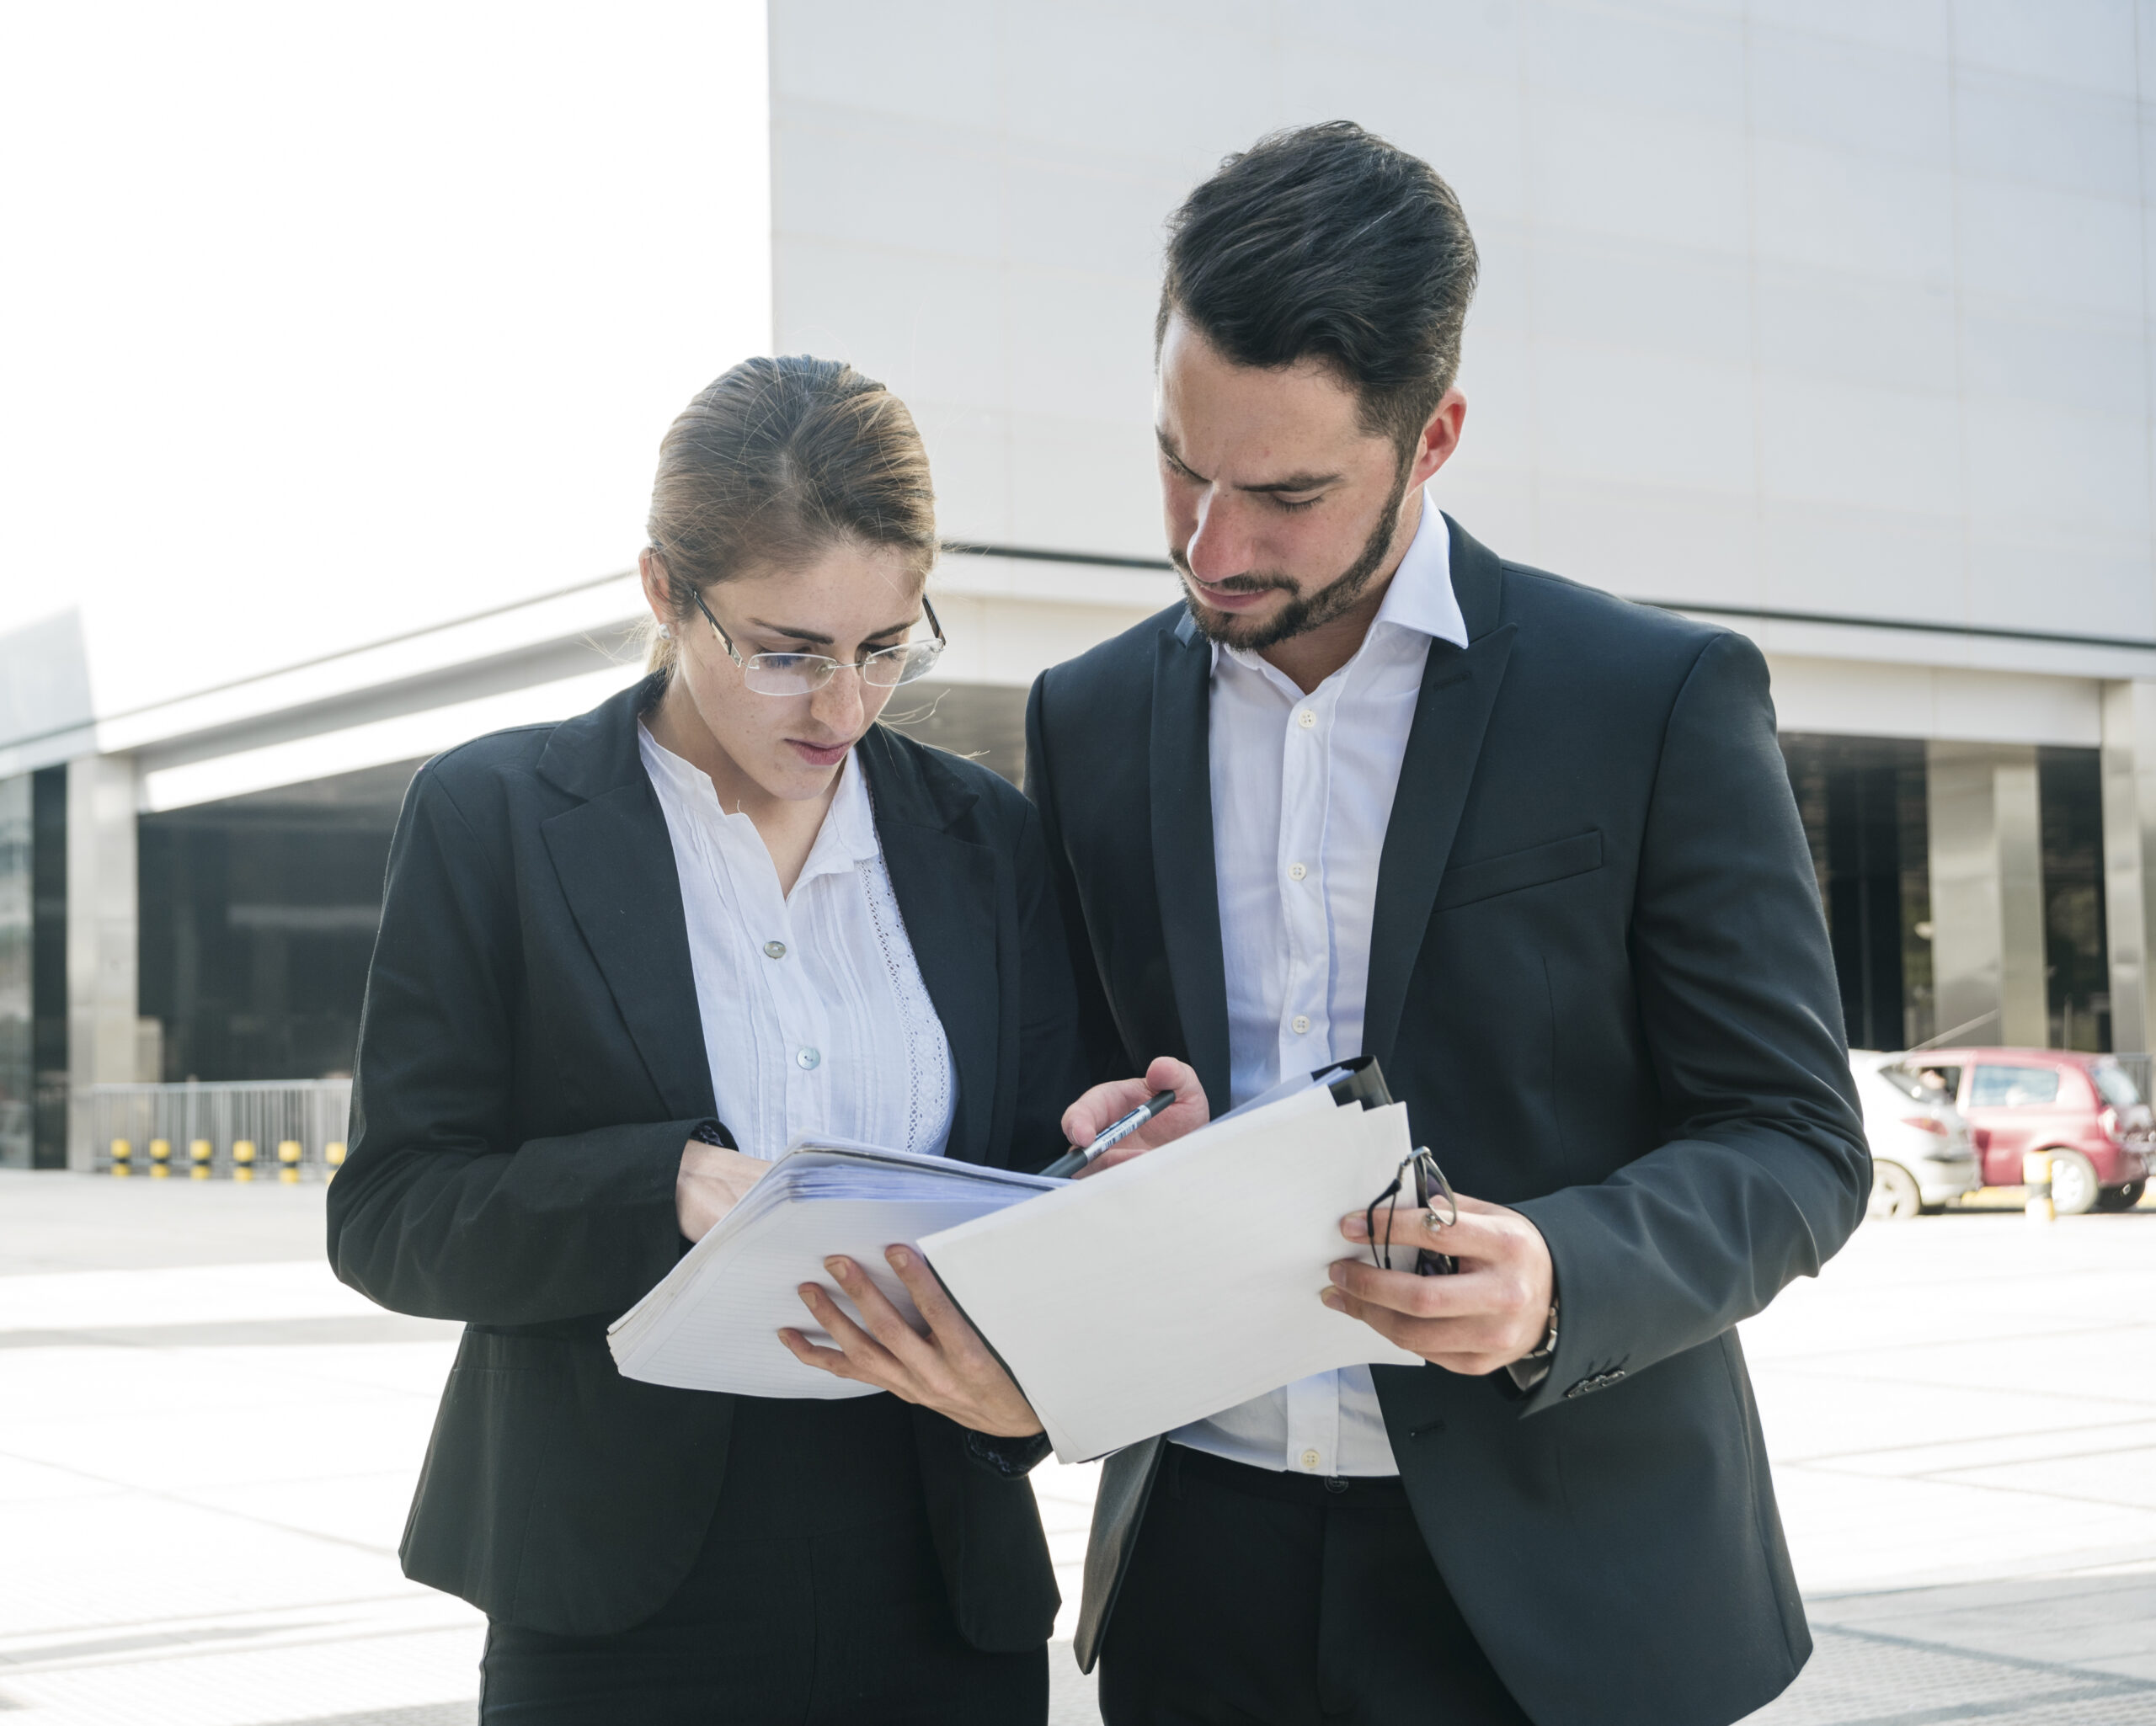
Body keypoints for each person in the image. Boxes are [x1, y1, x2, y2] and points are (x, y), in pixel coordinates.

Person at [1034, 124, 1871, 1726]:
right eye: (1180, 465)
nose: (1212, 544)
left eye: (1285, 494)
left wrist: (1558, 1273)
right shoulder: (1085, 718)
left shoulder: (1652, 699)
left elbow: (1797, 1140)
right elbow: (1065, 1097)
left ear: (1435, 439)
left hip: (1567, 1598)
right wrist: (1105, 1144)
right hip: (1196, 1576)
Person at [327, 355, 1096, 1724]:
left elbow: (1040, 1179)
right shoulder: (494, 819)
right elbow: (390, 1215)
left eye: (885, 646)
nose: (844, 707)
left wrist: (1109, 1162)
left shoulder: (986, 836)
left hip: (940, 1580)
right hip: (615, 1596)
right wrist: (658, 1183)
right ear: (664, 590)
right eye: (787, 652)